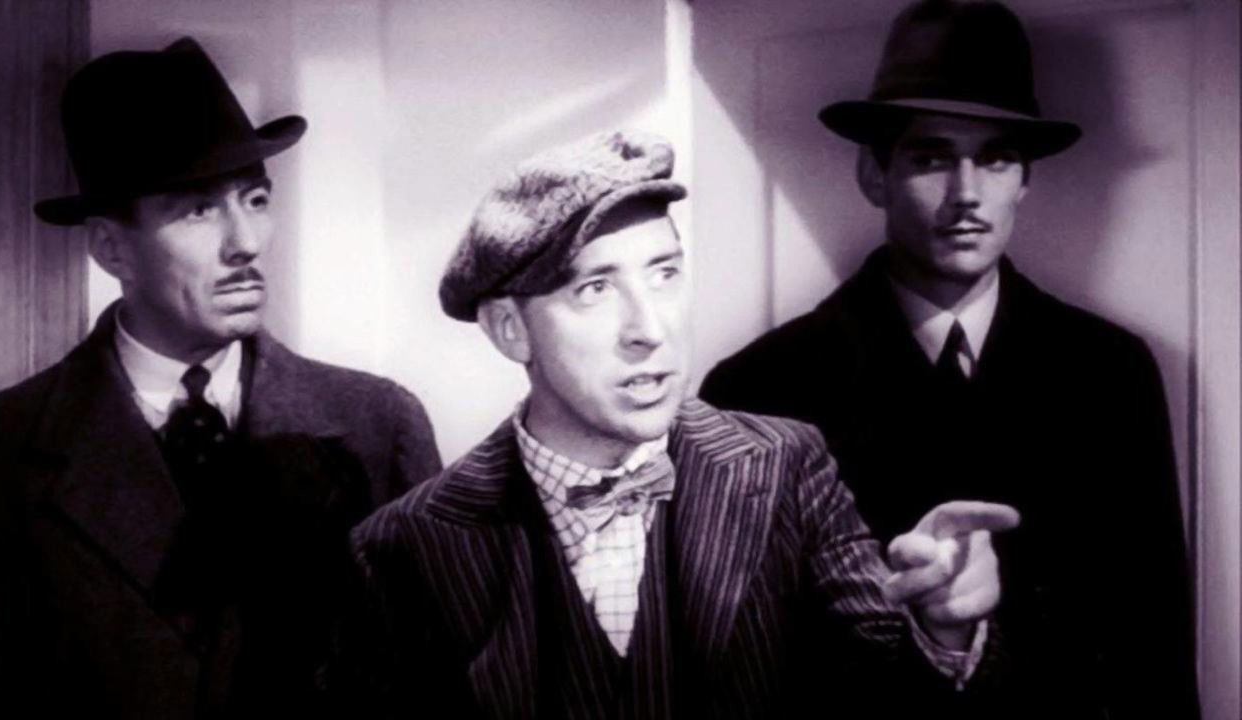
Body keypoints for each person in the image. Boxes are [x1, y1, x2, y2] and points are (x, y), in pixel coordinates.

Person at [344, 130, 1018, 718]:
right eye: (595, 289)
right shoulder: (405, 546)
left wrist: (944, 630)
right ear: (509, 329)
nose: (650, 328)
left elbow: (886, 696)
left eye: (664, 274)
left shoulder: (786, 465)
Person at [700, 2, 1199, 718]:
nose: (967, 195)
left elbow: (1155, 645)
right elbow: (741, 668)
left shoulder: (1111, 372)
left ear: (1024, 179)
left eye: (995, 158)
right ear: (875, 174)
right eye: (931, 158)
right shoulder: (759, 387)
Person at [0, 38, 441, 718]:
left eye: (255, 199)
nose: (246, 242)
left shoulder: (377, 424)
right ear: (111, 248)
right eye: (198, 209)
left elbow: (429, 685)